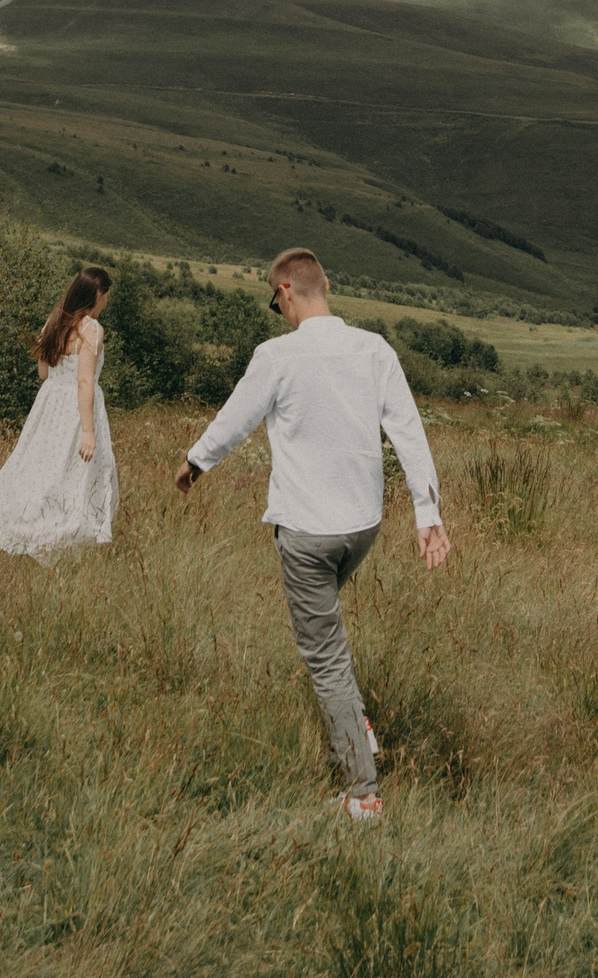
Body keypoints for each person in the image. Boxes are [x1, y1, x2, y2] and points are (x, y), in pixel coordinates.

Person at [175, 247, 450, 822]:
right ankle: (356, 726)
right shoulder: (374, 350)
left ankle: (362, 793)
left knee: (324, 656)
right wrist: (428, 516)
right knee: (328, 633)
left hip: (305, 532)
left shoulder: (277, 355)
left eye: (277, 302)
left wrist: (195, 462)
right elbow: (409, 431)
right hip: (361, 528)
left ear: (286, 291)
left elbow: (237, 417)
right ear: (325, 284)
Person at [0, 266, 116, 559]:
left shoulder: (54, 322)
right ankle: (66, 536)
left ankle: (26, 525)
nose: (106, 302)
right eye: (106, 296)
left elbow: (43, 372)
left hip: (48, 405)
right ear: (98, 295)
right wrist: (89, 431)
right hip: (76, 407)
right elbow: (84, 381)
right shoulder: (91, 329)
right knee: (75, 472)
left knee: (40, 467)